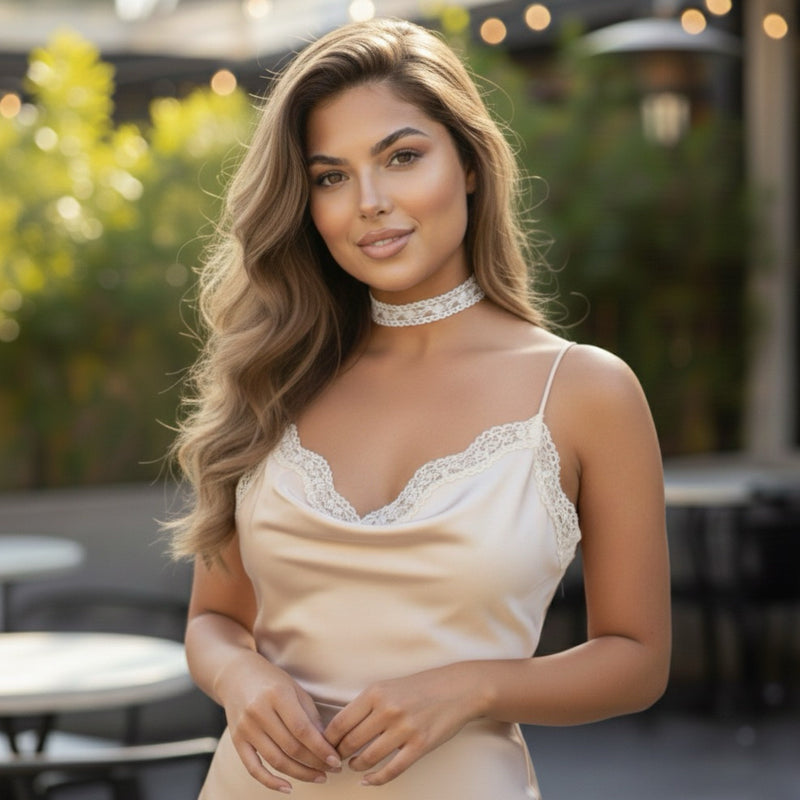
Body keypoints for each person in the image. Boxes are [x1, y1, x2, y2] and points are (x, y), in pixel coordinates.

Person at [168, 17, 671, 799]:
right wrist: (241, 678)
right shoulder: (275, 374)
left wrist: (476, 687)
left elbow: (637, 658)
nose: (369, 202)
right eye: (331, 176)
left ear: (468, 163)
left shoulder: (583, 392)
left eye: (402, 157)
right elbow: (213, 622)